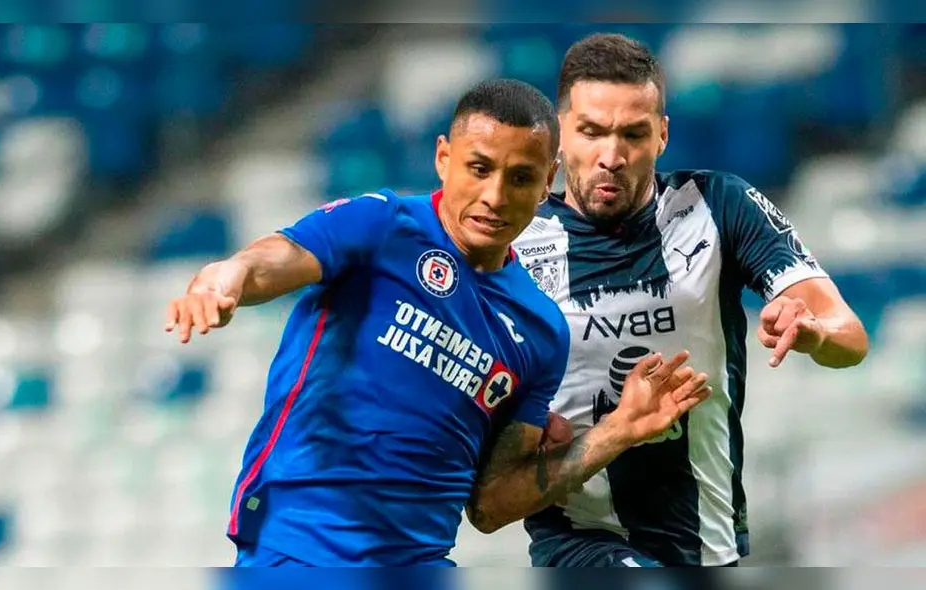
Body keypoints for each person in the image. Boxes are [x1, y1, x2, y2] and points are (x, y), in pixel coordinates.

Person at [163, 78, 712, 567]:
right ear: (443, 157)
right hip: (302, 546)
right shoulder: (384, 225)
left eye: (520, 178)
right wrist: (225, 277)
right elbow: (275, 259)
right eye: (479, 168)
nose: (495, 196)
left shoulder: (541, 329)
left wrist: (617, 432)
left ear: (548, 181)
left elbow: (493, 505)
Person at [502, 33, 870, 568]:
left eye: (633, 133)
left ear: (663, 135)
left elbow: (851, 339)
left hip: (706, 539)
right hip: (580, 539)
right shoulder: (514, 243)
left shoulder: (718, 205)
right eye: (591, 131)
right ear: (560, 135)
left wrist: (813, 331)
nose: (611, 155)